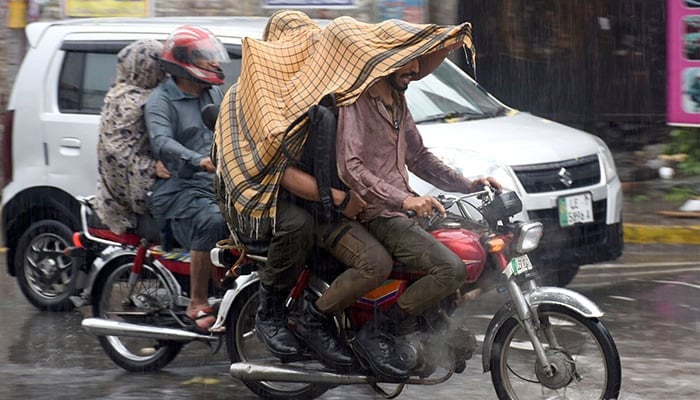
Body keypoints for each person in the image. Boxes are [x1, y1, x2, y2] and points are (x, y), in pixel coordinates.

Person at [335, 56, 502, 379]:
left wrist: (468, 184)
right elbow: (350, 168)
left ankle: (433, 325)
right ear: (386, 62)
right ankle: (380, 331)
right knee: (450, 269)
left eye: (417, 66)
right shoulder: (356, 102)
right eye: (408, 65)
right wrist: (406, 198)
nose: (414, 72)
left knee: (464, 247)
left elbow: (420, 158)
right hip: (376, 213)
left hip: (401, 209)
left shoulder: (398, 100)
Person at [145, 25, 231, 333]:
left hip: (214, 184)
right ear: (182, 61)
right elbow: (162, 142)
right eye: (205, 57)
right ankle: (198, 301)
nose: (214, 62)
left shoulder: (213, 92)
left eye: (212, 56)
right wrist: (198, 161)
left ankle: (231, 292)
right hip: (177, 189)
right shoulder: (161, 101)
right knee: (211, 219)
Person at [94, 39, 170, 234]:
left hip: (109, 189)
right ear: (150, 67)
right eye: (160, 66)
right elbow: (118, 150)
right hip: (132, 184)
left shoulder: (117, 91)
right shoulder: (146, 100)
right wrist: (152, 168)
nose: (165, 72)